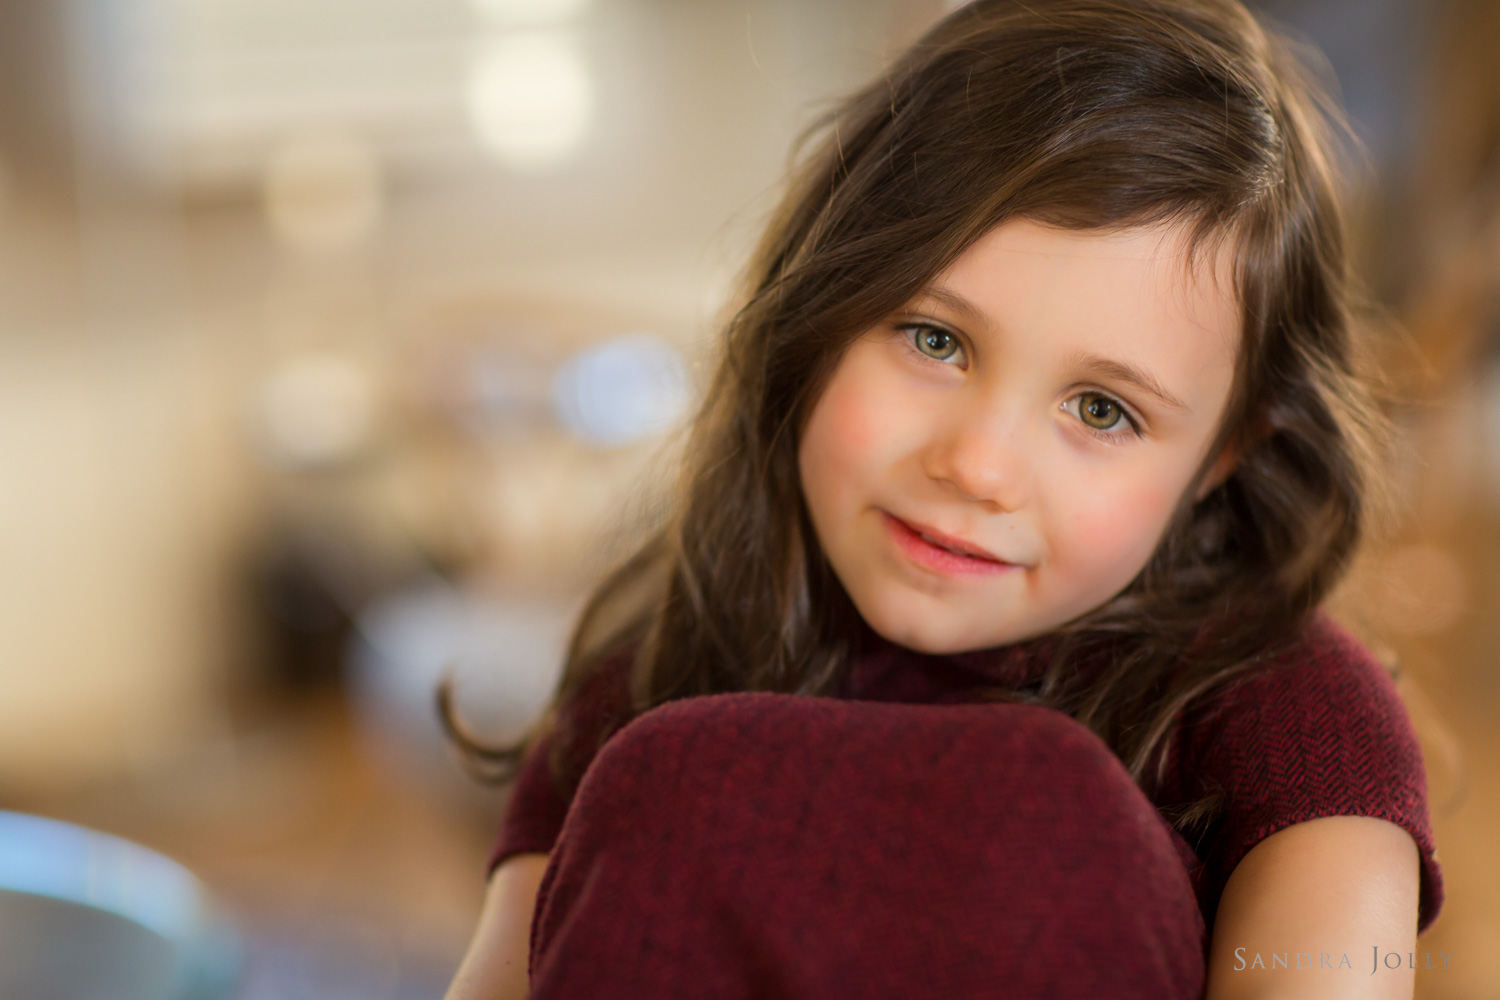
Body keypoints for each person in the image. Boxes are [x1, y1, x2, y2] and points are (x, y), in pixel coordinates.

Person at [441, 1, 1445, 997]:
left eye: (1100, 408)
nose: (978, 465)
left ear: (1223, 456)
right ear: (818, 310)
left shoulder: (1298, 714)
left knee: (1038, 807)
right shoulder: (651, 669)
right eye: (935, 339)